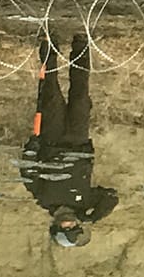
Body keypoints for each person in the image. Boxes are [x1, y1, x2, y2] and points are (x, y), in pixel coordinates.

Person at [20, 29, 118, 245]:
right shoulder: (85, 204)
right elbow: (111, 197)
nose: (70, 223)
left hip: (51, 139)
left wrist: (32, 147)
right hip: (79, 141)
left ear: (55, 225)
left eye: (67, 227)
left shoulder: (43, 198)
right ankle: (81, 45)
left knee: (50, 89)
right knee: (81, 92)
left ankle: (49, 44)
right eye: (74, 226)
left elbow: (26, 169)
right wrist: (93, 216)